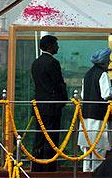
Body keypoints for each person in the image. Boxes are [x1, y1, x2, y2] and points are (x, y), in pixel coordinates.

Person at [78, 48, 112, 172]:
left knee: (87, 149)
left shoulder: (87, 74)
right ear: (104, 62)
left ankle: (86, 173)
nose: (109, 62)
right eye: (108, 61)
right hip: (98, 116)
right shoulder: (103, 74)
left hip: (86, 116)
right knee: (99, 148)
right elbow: (106, 93)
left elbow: (83, 95)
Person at [31, 34, 68, 172]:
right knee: (51, 138)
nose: (57, 47)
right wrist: (64, 99)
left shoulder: (36, 62)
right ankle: (49, 168)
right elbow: (58, 84)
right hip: (51, 107)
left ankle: (36, 167)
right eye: (56, 44)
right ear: (50, 46)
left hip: (39, 106)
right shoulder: (52, 63)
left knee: (39, 137)